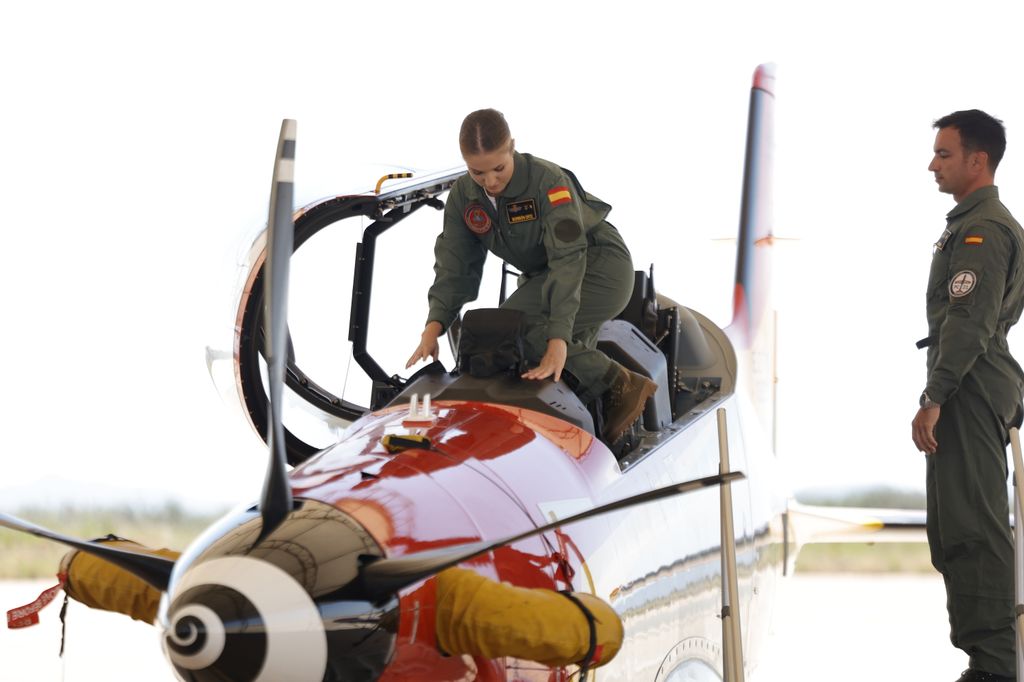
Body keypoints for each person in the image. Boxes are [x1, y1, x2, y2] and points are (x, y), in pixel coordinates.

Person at [406, 108, 656, 442]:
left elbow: (568, 258)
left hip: (598, 267)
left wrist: (555, 337)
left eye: (499, 168)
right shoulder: (464, 197)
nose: (490, 182)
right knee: (536, 357)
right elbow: (455, 265)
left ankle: (620, 383)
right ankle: (588, 428)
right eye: (478, 172)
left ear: (512, 148)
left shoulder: (548, 182)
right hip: (545, 277)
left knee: (512, 333)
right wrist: (433, 327)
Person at [912, 109, 1024, 682]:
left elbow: (969, 321)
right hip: (969, 383)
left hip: (972, 386)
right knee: (954, 527)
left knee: (975, 528)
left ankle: (997, 667)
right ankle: (987, 660)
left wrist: (935, 393)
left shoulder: (983, 230)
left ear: (977, 161)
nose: (933, 164)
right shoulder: (968, 224)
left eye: (944, 154)